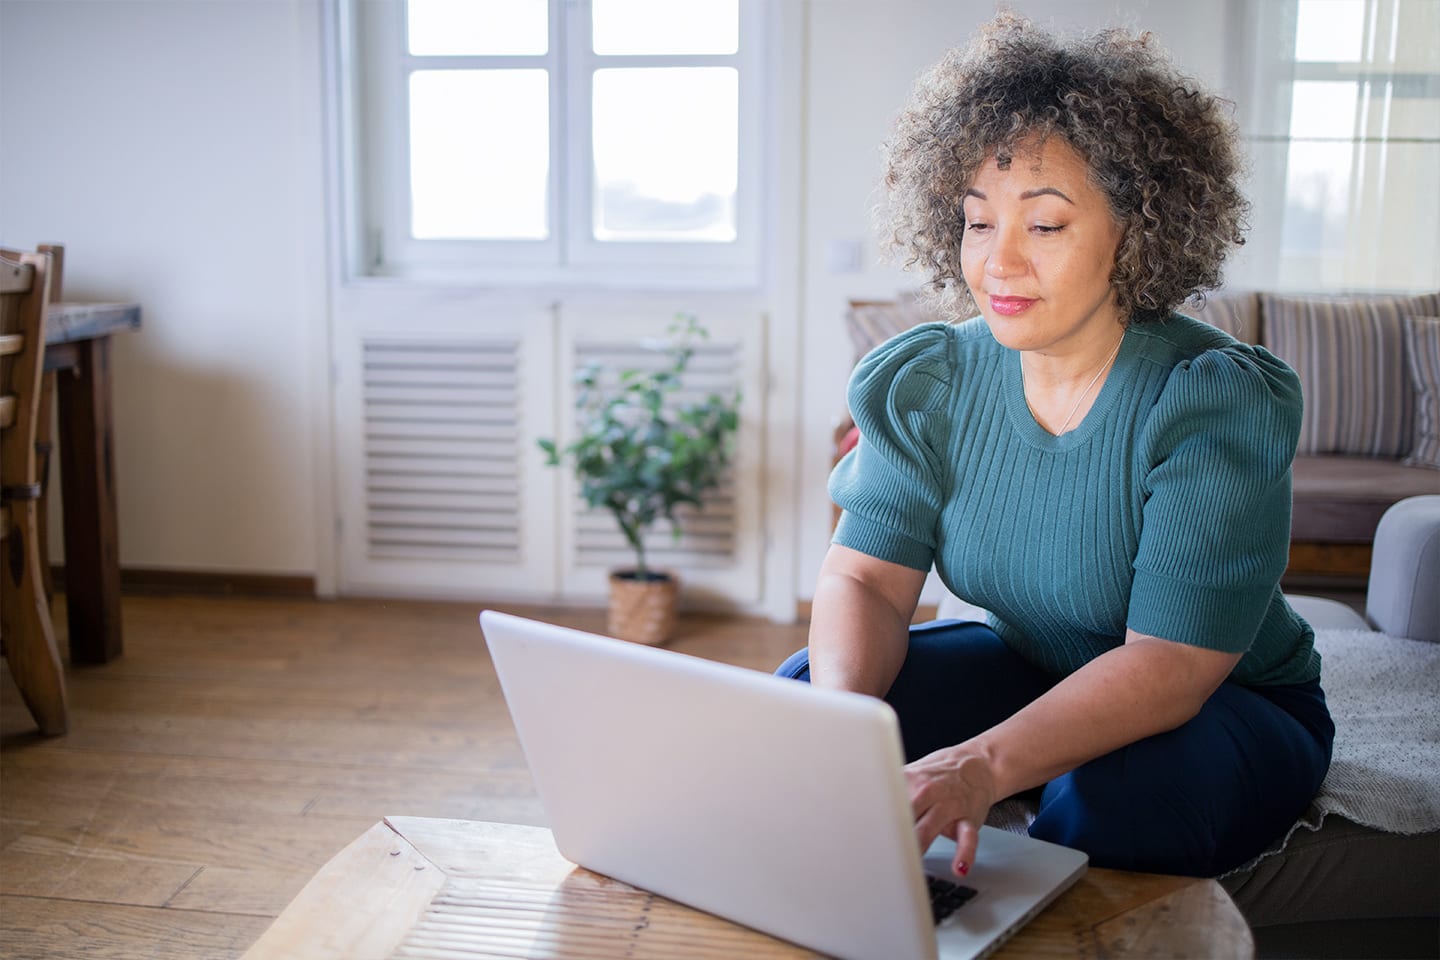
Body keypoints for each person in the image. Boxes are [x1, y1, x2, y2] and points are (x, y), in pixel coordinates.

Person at [779, 14, 1334, 879]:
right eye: (976, 222)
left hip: (1233, 696)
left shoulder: (1211, 399)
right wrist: (846, 737)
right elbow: (864, 581)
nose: (999, 263)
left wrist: (983, 765)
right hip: (1037, 664)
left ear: (1136, 232)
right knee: (803, 697)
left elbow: (1171, 664)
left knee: (1112, 804)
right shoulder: (930, 380)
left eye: (1044, 226)